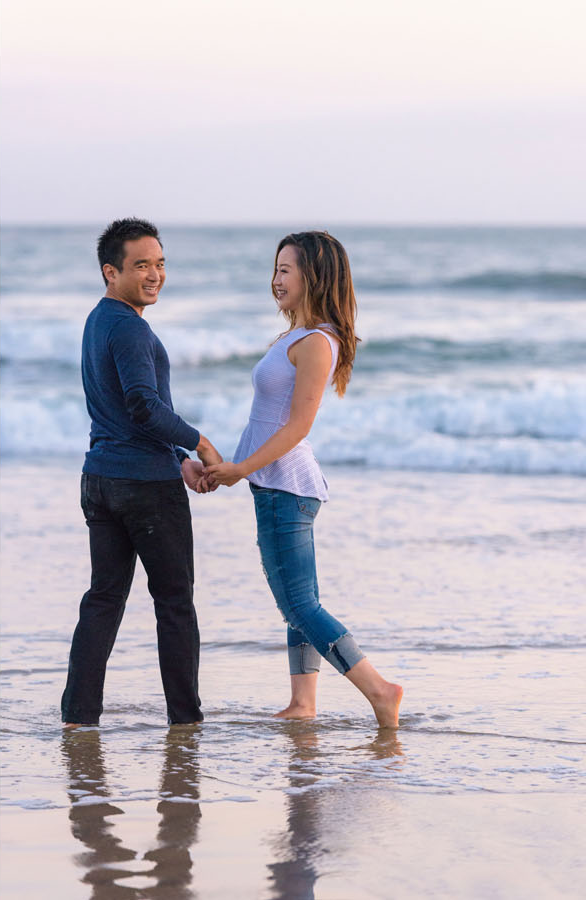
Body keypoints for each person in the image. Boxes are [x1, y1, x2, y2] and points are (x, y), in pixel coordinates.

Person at [202, 231, 404, 728]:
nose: (276, 280)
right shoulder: (296, 336)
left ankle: (379, 689)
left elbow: (297, 426)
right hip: (277, 487)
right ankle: (303, 703)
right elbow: (270, 418)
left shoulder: (318, 342)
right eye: (274, 269)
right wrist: (229, 464)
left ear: (314, 276)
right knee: (299, 602)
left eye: (286, 270)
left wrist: (241, 468)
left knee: (297, 602)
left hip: (284, 488)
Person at [61, 218, 226, 728]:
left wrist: (176, 461)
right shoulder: (130, 327)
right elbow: (142, 406)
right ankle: (186, 720)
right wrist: (196, 442)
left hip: (101, 481)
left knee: (103, 600)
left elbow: (118, 411)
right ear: (111, 271)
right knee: (175, 603)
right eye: (141, 266)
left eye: (159, 264)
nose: (154, 275)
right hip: (143, 489)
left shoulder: (99, 319)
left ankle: (78, 716)